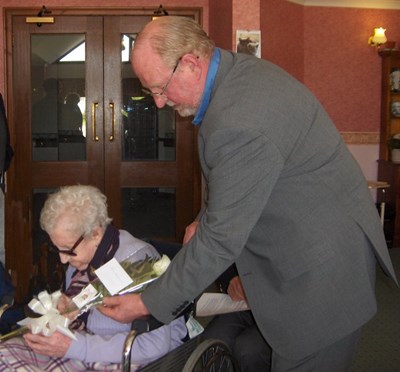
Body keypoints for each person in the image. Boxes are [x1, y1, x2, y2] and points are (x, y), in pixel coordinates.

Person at [99, 16, 398, 371]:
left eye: (161, 89)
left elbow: (220, 240)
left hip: (321, 278)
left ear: (191, 64)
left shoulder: (238, 121)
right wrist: (202, 218)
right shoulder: (236, 76)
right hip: (313, 245)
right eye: (152, 94)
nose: (161, 104)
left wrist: (148, 302)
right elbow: (235, 180)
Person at [0, 185, 187, 371]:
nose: (62, 259)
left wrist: (75, 347)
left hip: (132, 358)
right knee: (3, 353)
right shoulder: (84, 260)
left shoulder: (138, 265)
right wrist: (69, 306)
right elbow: (88, 312)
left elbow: (154, 346)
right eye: (57, 249)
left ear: (96, 233)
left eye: (68, 251)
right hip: (86, 347)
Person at [202, 265, 271, 371]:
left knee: (248, 350)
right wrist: (231, 280)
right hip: (243, 304)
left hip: (277, 309)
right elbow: (221, 257)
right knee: (213, 339)